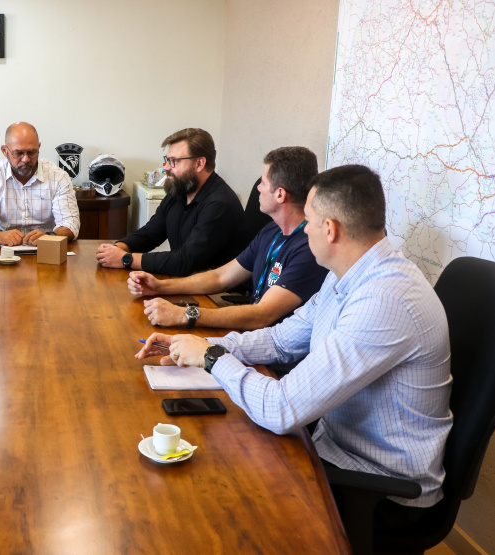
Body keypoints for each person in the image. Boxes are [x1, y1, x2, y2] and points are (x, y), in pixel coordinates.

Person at [136, 165, 452, 524]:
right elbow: (281, 339)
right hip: (333, 447)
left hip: (381, 489)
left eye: (310, 221)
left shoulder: (384, 300)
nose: (305, 229)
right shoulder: (345, 276)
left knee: (211, 497)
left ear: (330, 230)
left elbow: (282, 409)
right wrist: (194, 344)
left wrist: (211, 357)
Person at [128, 147, 327, 331]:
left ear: (280, 195)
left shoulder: (309, 249)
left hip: (274, 353)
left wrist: (184, 315)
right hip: (251, 335)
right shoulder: (271, 230)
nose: (258, 188)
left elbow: (262, 316)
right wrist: (160, 287)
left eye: (263, 183)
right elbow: (220, 277)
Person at [96, 128, 245, 276]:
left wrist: (125, 259)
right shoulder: (179, 190)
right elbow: (150, 233)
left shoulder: (219, 204)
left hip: (216, 294)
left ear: (199, 164)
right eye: (167, 160)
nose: (166, 167)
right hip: (187, 281)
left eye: (174, 161)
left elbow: (185, 261)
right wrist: (117, 248)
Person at [0, 122, 80, 246]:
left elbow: (70, 224)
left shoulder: (58, 176)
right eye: (18, 153)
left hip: (45, 249)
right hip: (1, 251)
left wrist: (51, 236)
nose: (26, 159)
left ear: (39, 147)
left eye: (31, 152)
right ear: (4, 150)